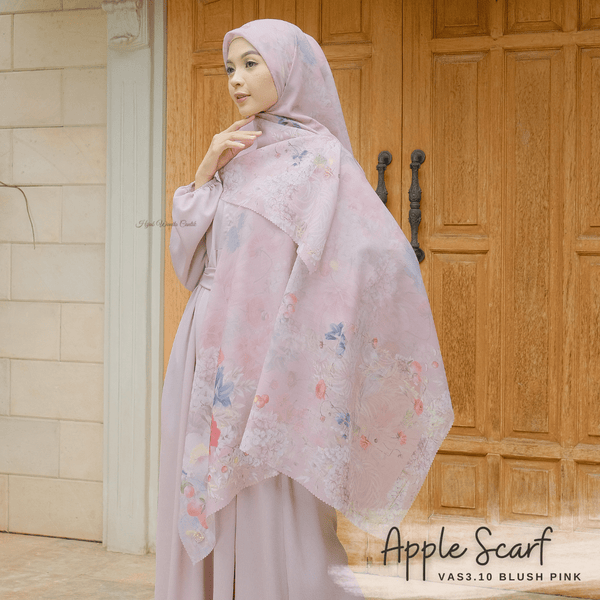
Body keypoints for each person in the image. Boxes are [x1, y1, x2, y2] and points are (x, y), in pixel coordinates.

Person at [155, 18, 454, 600]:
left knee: (273, 505)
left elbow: (380, 255)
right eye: (230, 67)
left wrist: (307, 325)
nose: (236, 79)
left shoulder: (321, 162)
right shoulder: (235, 152)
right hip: (205, 352)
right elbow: (191, 268)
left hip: (273, 363)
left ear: (290, 69)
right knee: (203, 487)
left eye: (251, 64)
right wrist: (203, 175)